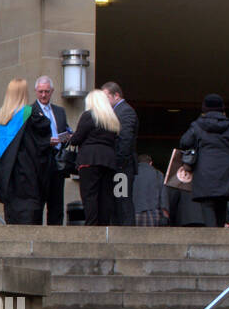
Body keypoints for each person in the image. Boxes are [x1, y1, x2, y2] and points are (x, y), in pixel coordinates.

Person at [0, 78, 52, 225]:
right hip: (29, 187)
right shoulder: (31, 116)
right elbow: (42, 151)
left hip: (8, 189)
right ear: (24, 94)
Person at [178, 93, 229, 227]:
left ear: (204, 108)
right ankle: (219, 237)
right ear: (222, 108)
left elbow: (184, 142)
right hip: (226, 173)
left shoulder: (197, 125)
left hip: (204, 171)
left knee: (207, 205)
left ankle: (212, 237)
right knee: (221, 205)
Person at [67, 89, 120, 226]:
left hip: (89, 160)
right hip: (108, 161)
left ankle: (91, 228)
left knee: (90, 195)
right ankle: (103, 228)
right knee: (105, 197)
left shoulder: (88, 116)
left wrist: (71, 137)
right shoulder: (112, 119)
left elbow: (76, 139)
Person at [33, 75, 72, 226]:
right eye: (41, 91)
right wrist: (46, 142)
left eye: (47, 92)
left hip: (57, 162)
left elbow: (65, 128)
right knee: (38, 204)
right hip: (40, 162)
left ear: (52, 92)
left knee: (56, 204)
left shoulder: (60, 111)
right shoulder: (31, 111)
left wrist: (69, 135)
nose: (44, 95)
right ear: (36, 91)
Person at [102, 81, 138, 226]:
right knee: (117, 201)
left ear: (116, 95)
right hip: (120, 165)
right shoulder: (120, 111)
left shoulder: (125, 111)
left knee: (122, 201)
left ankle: (127, 234)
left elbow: (125, 139)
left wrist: (119, 161)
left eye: (106, 98)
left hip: (122, 167)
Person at [133, 154, 170, 226]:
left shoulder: (132, 174)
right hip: (153, 213)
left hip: (134, 212)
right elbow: (163, 196)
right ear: (150, 163)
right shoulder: (158, 174)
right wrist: (165, 215)